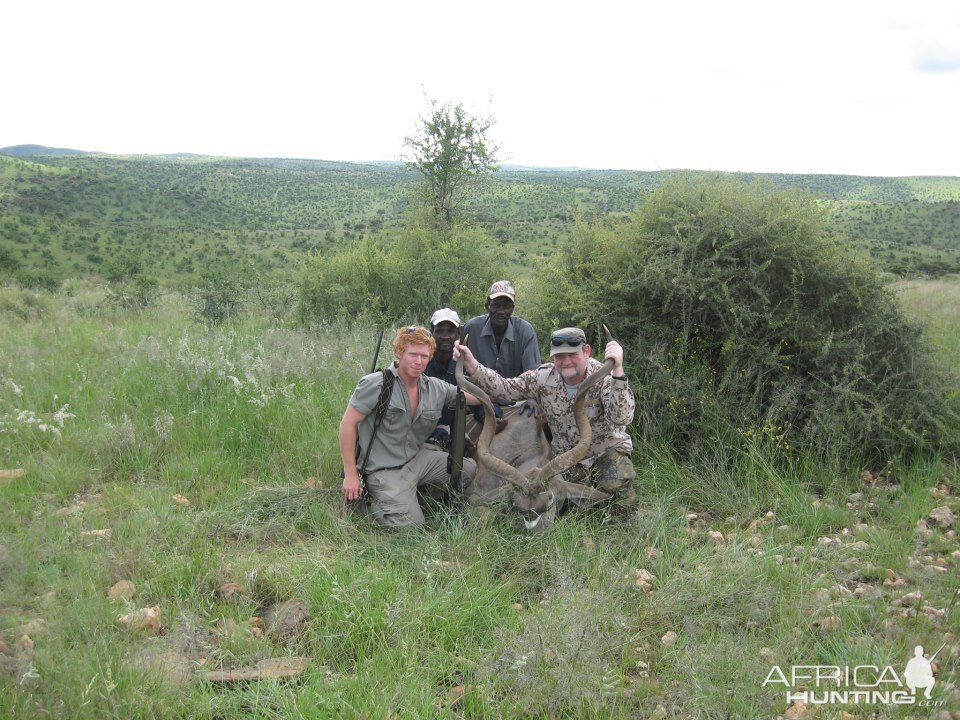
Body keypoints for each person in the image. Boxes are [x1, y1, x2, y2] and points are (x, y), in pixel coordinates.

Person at [454, 327, 637, 513]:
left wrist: (618, 370)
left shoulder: (604, 377)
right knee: (547, 501)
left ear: (586, 351)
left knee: (617, 494)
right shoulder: (543, 378)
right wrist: (472, 365)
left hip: (604, 452)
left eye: (572, 355)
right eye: (559, 356)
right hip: (565, 461)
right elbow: (504, 388)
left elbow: (621, 418)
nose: (565, 361)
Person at [340, 325, 479, 527]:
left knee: (466, 469)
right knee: (413, 525)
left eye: (424, 356)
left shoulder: (435, 387)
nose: (418, 361)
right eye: (413, 354)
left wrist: (475, 369)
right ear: (399, 352)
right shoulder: (376, 384)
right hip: (384, 469)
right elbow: (347, 424)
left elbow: (476, 397)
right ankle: (369, 504)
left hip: (416, 460)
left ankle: (412, 496)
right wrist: (351, 474)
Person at [463, 280, 541, 379]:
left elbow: (533, 377)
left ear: (512, 308)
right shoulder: (471, 329)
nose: (501, 311)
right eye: (496, 305)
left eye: (506, 306)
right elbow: (459, 369)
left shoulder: (525, 331)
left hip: (516, 393)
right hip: (475, 393)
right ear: (487, 306)